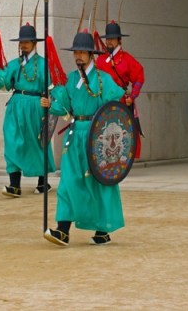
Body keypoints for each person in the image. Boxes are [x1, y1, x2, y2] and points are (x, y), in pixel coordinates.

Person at [42, 29, 126, 246]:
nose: (78, 55)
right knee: (68, 181)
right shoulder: (70, 80)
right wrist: (51, 105)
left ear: (91, 55)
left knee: (98, 182)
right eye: (75, 52)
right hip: (74, 134)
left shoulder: (104, 80)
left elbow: (116, 102)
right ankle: (62, 230)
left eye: (82, 52)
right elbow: (64, 107)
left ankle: (102, 230)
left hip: (96, 136)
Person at [0, 14, 55, 197]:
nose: (23, 44)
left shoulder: (43, 64)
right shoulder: (15, 64)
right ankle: (14, 184)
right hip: (15, 107)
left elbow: (53, 88)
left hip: (36, 106)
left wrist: (50, 102)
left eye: (27, 41)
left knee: (38, 142)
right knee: (12, 142)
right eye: (21, 41)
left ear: (34, 42)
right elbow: (5, 82)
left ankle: (43, 182)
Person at [95, 17, 146, 159]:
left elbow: (139, 76)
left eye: (113, 38)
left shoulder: (127, 58)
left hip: (121, 100)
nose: (109, 41)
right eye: (107, 39)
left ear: (119, 40)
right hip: (103, 100)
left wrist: (132, 96)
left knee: (122, 131)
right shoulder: (100, 59)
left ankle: (123, 158)